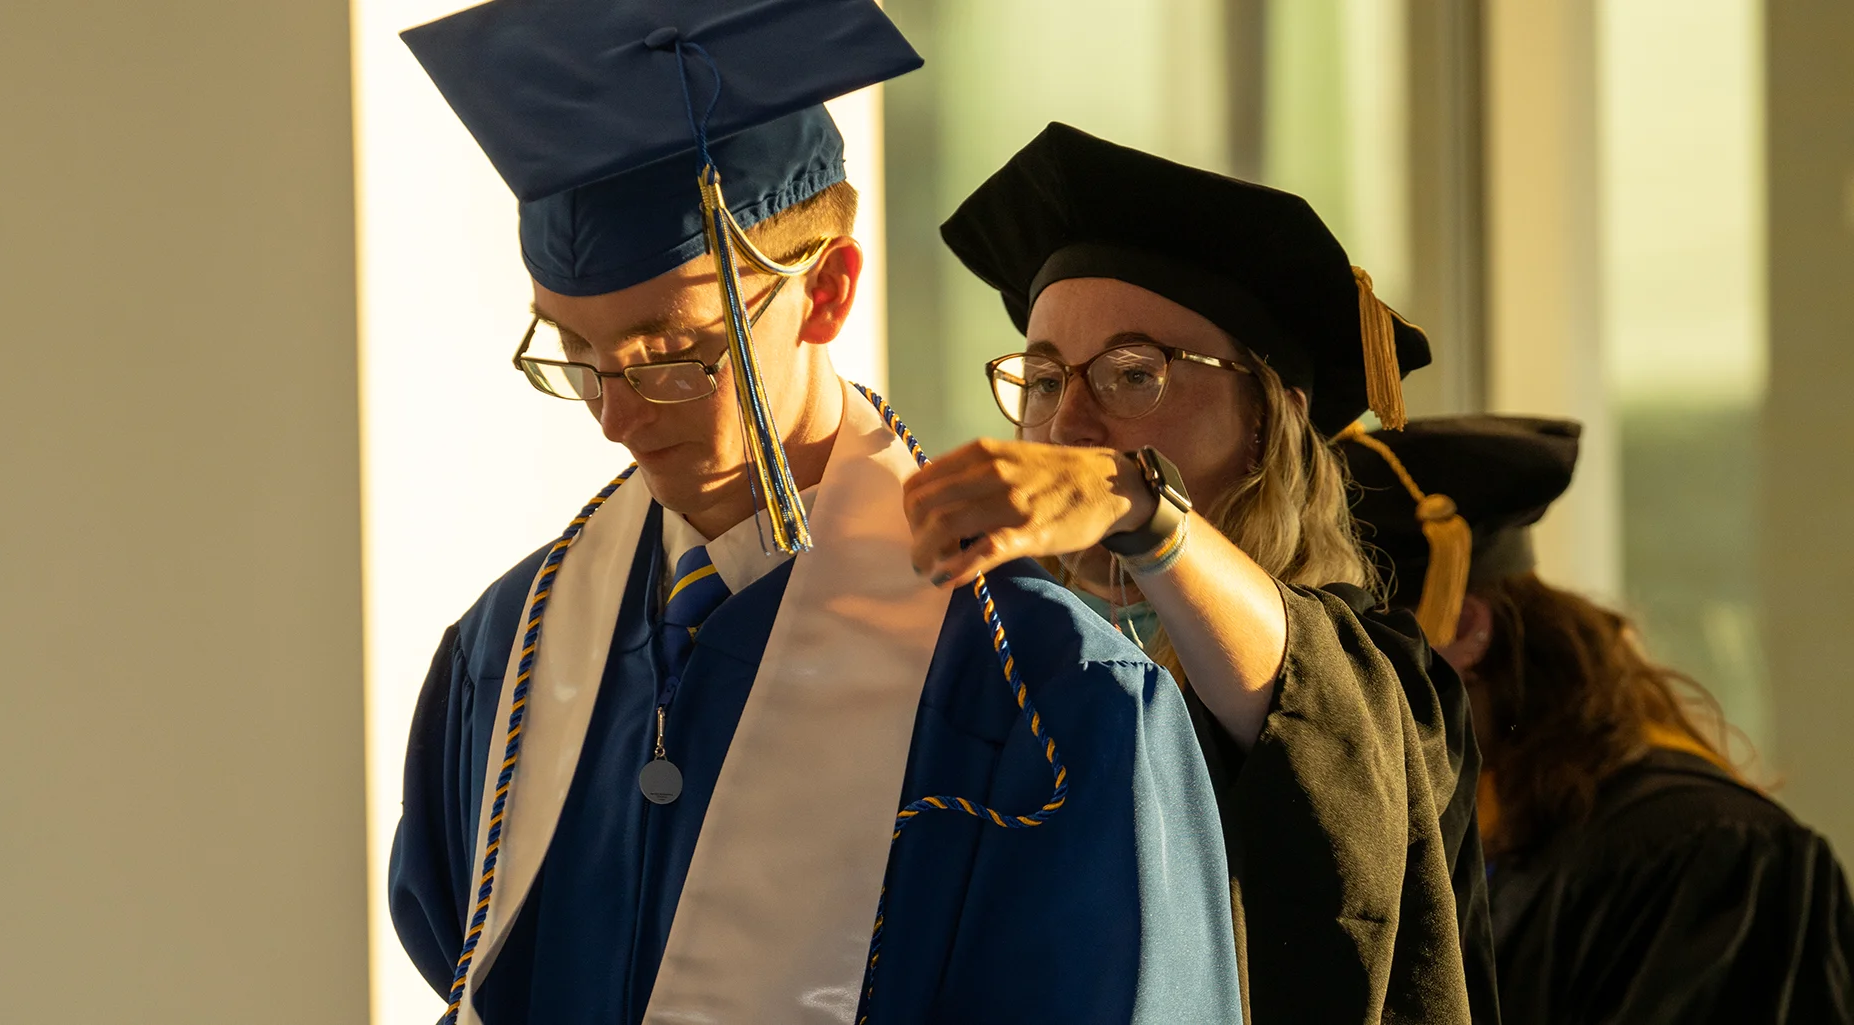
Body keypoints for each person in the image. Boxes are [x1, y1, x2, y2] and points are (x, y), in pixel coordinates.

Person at [386, 5, 1240, 1025]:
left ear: (827, 291)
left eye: (669, 358)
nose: (614, 418)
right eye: (574, 354)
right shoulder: (510, 651)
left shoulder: (1044, 689)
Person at [919, 123, 1498, 1024]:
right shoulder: (997, 653)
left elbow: (1319, 727)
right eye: (1042, 377)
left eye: (1132, 372)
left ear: (1269, 414)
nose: (1068, 420)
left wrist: (1142, 507)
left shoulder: (1382, 681)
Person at [1337, 414, 1854, 1025]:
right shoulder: (1472, 824)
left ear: (1465, 628)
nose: (1331, 673)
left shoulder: (1706, 852)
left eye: (1354, 636)